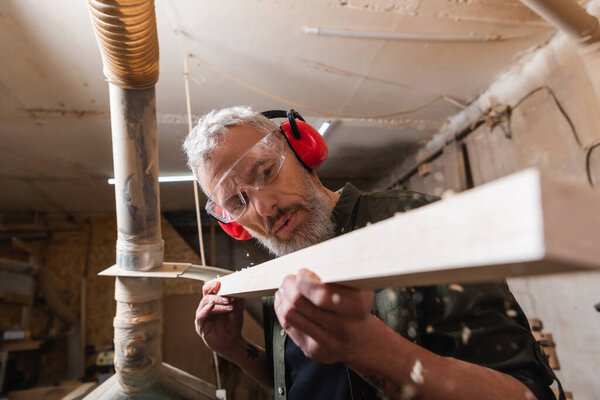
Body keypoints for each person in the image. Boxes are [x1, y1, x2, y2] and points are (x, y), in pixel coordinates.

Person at [183, 106, 562, 400]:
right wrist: (236, 350)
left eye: (265, 172)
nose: (263, 207)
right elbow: (306, 382)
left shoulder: (419, 222)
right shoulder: (279, 276)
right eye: (237, 201)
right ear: (233, 224)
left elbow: (525, 392)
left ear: (302, 150)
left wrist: (368, 348)